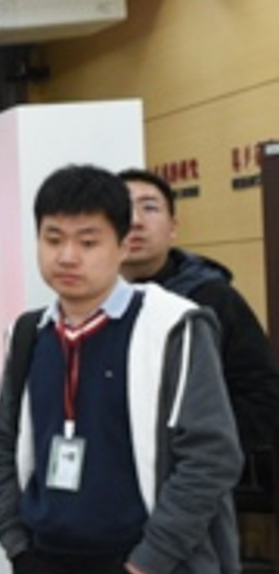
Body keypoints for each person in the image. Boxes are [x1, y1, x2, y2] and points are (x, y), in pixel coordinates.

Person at [0, 164, 241, 574]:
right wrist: (16, 542)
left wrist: (151, 563)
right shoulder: (29, 333)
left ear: (123, 245)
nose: (67, 256)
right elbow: (4, 445)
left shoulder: (173, 325)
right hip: (45, 570)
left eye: (88, 241)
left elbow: (212, 457)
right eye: (53, 239)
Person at [118, 167, 279, 471]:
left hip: (192, 476)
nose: (136, 221)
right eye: (123, 209)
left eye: (149, 207)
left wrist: (202, 457)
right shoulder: (89, 303)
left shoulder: (212, 299)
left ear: (173, 228)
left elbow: (261, 394)